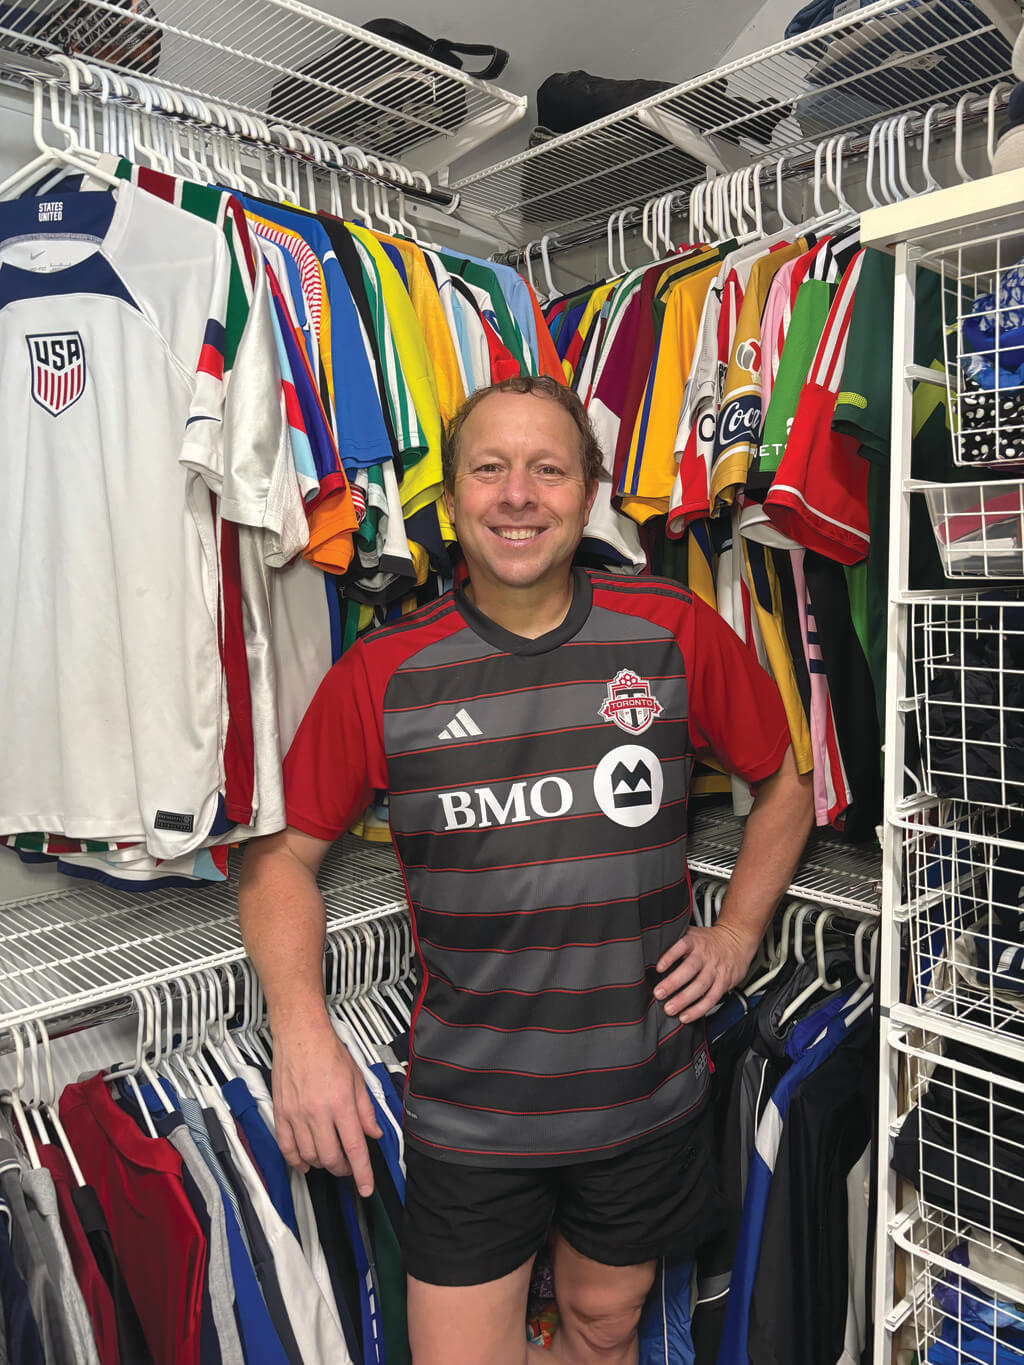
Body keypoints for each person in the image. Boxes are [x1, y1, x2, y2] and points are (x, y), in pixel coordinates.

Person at [239, 375, 814, 1365]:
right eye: (489, 469)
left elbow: (786, 783)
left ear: (587, 494)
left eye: (547, 470)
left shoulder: (667, 627)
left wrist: (740, 932)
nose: (517, 495)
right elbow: (276, 856)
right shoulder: (384, 672)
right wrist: (301, 1034)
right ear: (451, 497)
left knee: (602, 1326)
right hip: (472, 1116)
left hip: (646, 1095)